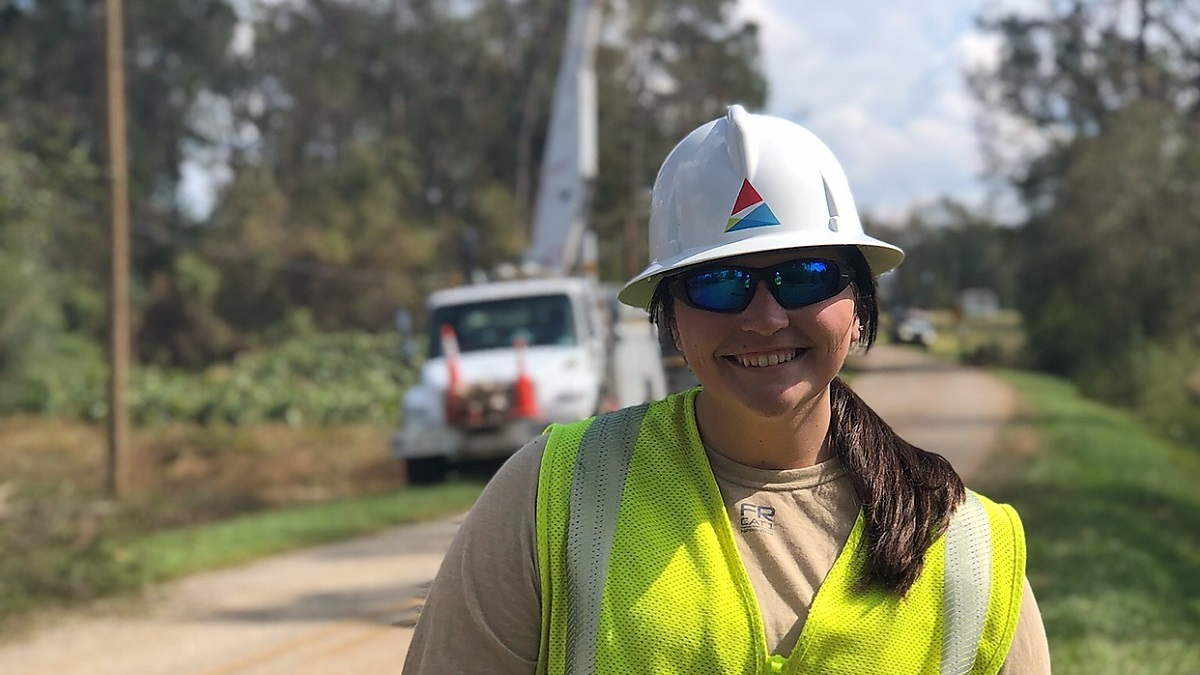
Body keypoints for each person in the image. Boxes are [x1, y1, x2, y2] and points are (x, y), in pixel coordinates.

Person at [402, 105, 1052, 674]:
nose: (765, 316)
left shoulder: (969, 548)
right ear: (672, 320)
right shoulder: (556, 494)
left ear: (858, 303)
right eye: (719, 283)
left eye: (805, 275)